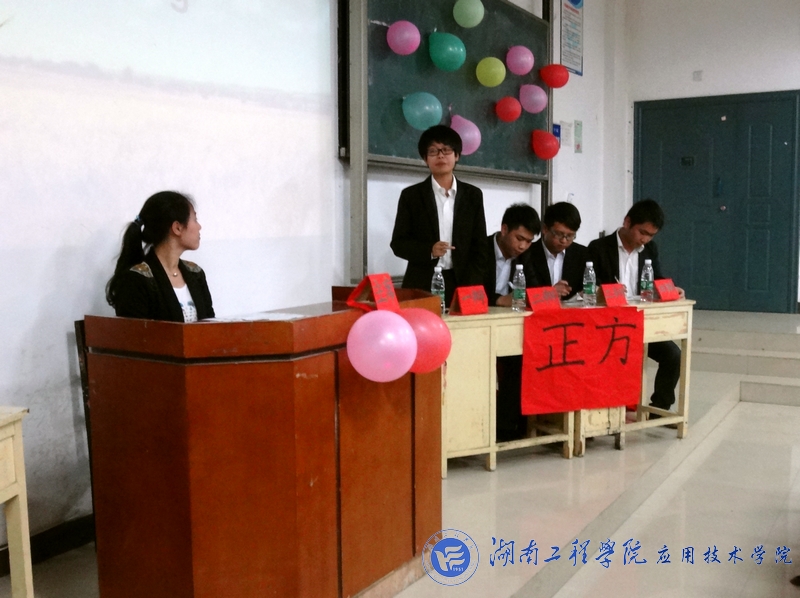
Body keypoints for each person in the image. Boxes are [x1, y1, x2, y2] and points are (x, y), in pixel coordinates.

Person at [587, 199, 685, 418]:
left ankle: (660, 409)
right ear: (627, 222)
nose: (645, 239)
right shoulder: (599, 247)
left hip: (641, 322)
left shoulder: (649, 249)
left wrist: (670, 289)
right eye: (642, 232)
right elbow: (591, 287)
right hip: (610, 325)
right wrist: (605, 293)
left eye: (651, 235)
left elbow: (657, 278)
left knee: (673, 356)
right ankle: (603, 411)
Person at [390, 125, 487, 307]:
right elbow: (398, 244)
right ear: (425, 159)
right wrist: (429, 250)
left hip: (462, 283)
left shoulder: (473, 195)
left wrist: (472, 283)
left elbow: (480, 245)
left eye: (446, 150)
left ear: (457, 155)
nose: (441, 156)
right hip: (422, 282)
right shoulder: (411, 196)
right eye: (433, 151)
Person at [106, 191, 214, 322]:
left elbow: (210, 325)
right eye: (195, 220)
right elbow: (134, 333)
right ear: (177, 228)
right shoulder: (135, 280)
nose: (199, 227)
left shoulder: (196, 274)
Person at [482, 203, 541, 306]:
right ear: (504, 230)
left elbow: (533, 289)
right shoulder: (481, 249)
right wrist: (499, 300)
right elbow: (470, 290)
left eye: (528, 241)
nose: (523, 246)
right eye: (519, 238)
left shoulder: (525, 255)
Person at [528, 202, 588, 300]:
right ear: (545, 229)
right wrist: (549, 293)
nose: (564, 240)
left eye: (570, 236)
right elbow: (521, 293)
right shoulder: (527, 254)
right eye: (559, 234)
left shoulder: (582, 254)